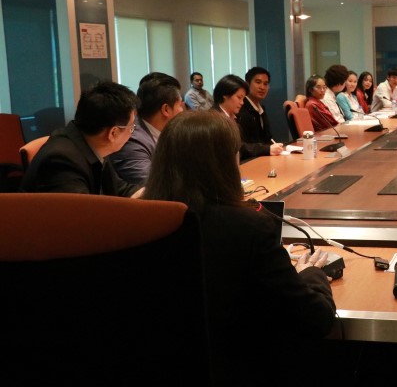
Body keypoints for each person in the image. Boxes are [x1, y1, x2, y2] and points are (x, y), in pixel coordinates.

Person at [142, 110, 336, 385]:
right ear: (225, 163)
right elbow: (315, 319)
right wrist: (312, 274)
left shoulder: (139, 223)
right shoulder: (249, 227)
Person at [21, 81, 142, 197]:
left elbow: (120, 189)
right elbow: (80, 209)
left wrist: (150, 193)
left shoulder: (94, 145)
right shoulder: (62, 161)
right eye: (131, 127)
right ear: (113, 133)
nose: (132, 132)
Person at [110, 73, 185, 184]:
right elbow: (153, 185)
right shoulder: (132, 139)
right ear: (166, 109)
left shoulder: (168, 131)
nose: (183, 110)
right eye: (180, 105)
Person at [238, 66, 283, 160]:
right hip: (248, 162)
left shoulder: (261, 109)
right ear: (247, 84)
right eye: (258, 82)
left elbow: (268, 138)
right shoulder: (240, 108)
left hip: (263, 158)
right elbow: (241, 146)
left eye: (266, 84)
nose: (262, 87)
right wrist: (267, 149)